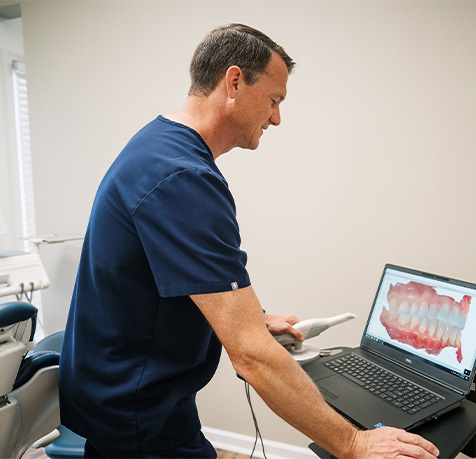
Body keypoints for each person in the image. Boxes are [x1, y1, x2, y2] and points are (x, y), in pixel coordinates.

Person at [59, 24, 440, 459]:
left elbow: (183, 271)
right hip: (137, 414)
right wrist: (354, 442)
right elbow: (250, 357)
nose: (276, 117)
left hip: (123, 397)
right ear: (235, 82)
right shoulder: (183, 179)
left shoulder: (161, 148)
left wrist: (254, 317)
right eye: (274, 100)